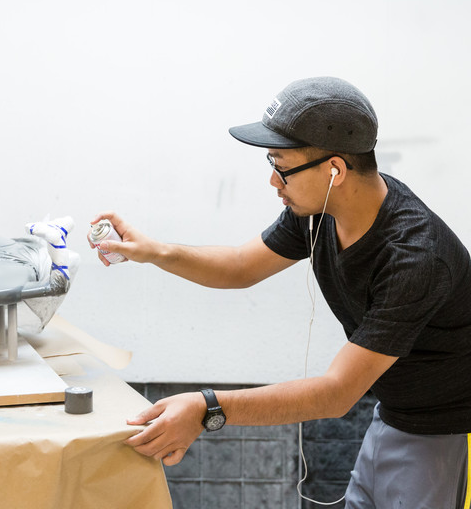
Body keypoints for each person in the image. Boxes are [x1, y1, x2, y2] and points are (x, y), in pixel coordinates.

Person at [89, 77, 471, 509]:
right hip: (393, 414)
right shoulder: (321, 209)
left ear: (335, 170)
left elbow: (336, 393)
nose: (273, 180)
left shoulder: (414, 256)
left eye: (281, 164)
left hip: (448, 431)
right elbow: (240, 265)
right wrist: (152, 251)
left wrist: (207, 408)